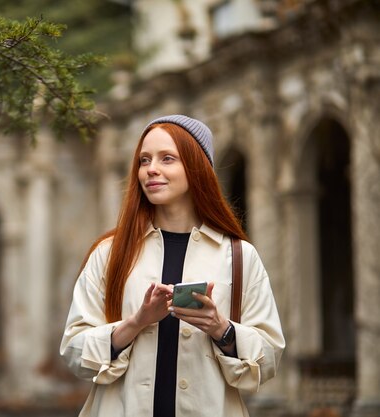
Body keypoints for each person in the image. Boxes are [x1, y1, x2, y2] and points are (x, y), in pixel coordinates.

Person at [60, 115, 285, 417]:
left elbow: (269, 356)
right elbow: (74, 350)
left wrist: (222, 329)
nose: (151, 169)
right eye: (144, 160)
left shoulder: (239, 256)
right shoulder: (110, 253)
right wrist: (136, 322)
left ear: (196, 167)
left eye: (167, 159)